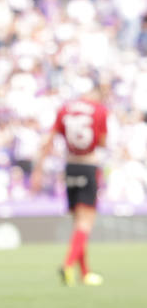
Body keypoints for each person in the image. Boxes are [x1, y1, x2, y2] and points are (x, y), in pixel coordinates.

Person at [33, 81, 110, 285]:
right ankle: (68, 264)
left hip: (69, 166)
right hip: (88, 165)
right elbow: (102, 142)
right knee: (86, 222)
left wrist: (38, 170)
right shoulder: (100, 111)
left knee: (77, 222)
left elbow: (49, 139)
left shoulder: (65, 109)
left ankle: (84, 273)